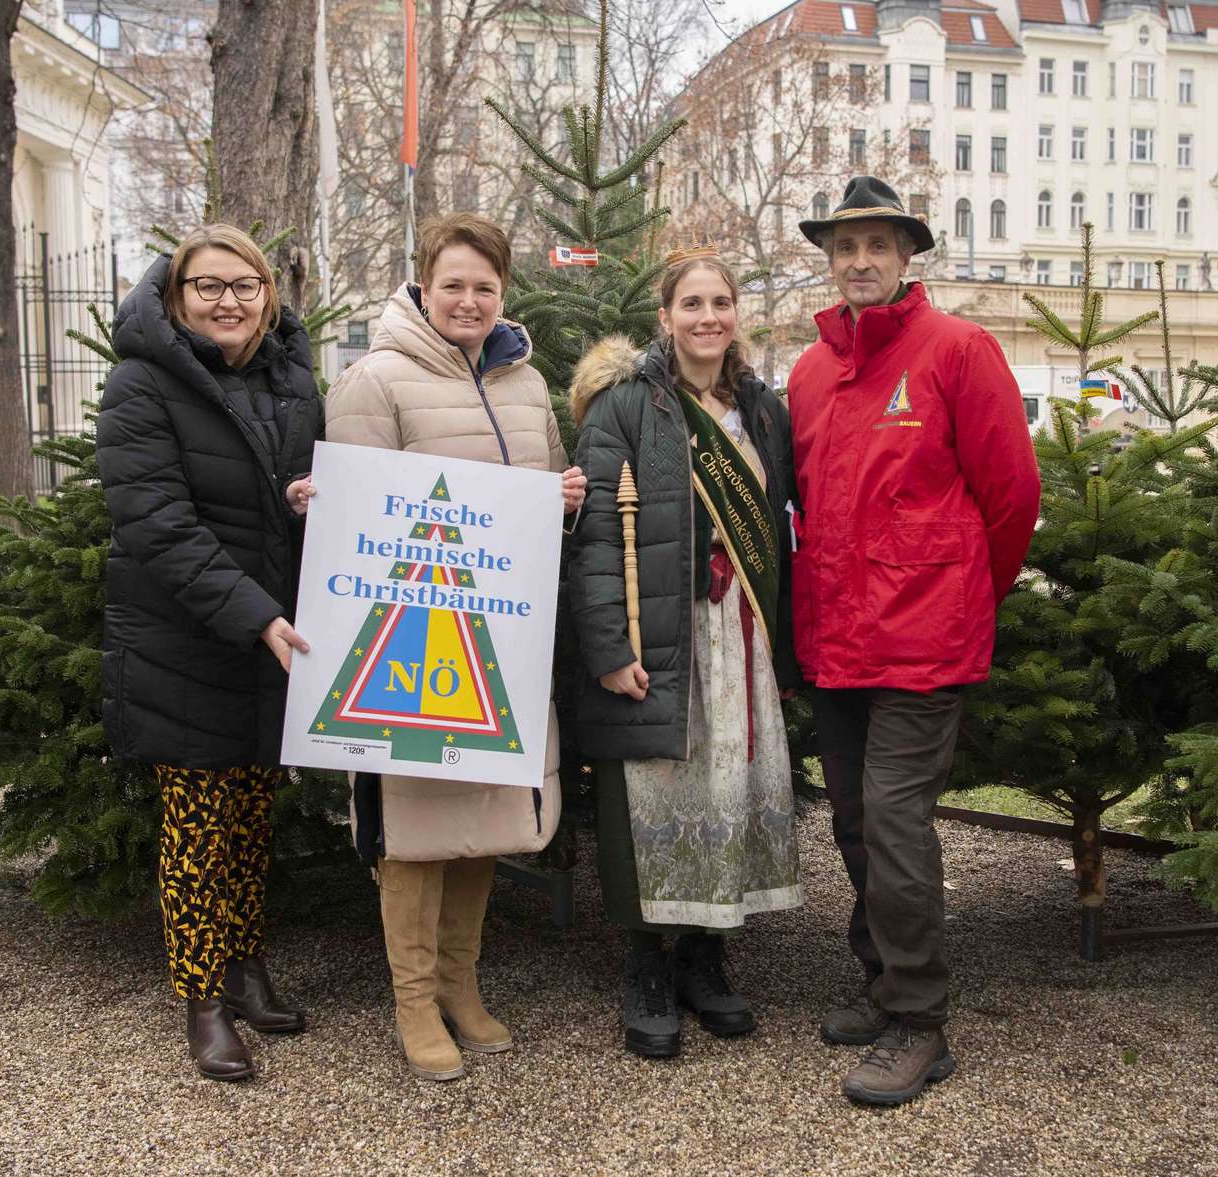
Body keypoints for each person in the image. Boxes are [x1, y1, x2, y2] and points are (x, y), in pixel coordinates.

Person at [790, 177, 1040, 1106]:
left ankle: (921, 1022)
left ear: (906, 256)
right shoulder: (812, 370)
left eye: (878, 245)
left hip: (924, 638)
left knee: (895, 819)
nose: (860, 260)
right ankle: (883, 981)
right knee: (854, 817)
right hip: (838, 636)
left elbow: (1012, 495)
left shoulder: (957, 350)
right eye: (846, 245)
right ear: (830, 256)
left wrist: (964, 592)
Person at [323, 212, 585, 1082]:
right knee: (413, 828)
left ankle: (461, 985)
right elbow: (362, 519)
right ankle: (412, 1000)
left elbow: (543, 497)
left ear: (502, 292)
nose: (468, 300)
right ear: (423, 286)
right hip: (413, 642)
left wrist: (565, 495)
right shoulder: (375, 380)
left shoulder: (527, 382)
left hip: (505, 634)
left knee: (484, 818)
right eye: (453, 285)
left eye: (484, 286)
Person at [98, 223, 323, 1082]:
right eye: (209, 286)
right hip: (186, 638)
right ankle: (201, 999)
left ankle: (246, 964)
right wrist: (254, 614)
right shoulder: (141, 384)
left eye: (245, 285)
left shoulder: (291, 377)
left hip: (271, 635)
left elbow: (298, 484)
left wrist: (308, 497)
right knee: (198, 823)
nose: (228, 300)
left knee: (250, 816)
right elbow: (156, 521)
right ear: (177, 296)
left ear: (268, 294)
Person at [566, 247, 804, 1059]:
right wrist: (606, 647)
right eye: (692, 303)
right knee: (654, 791)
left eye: (722, 302)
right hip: (659, 633)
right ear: (664, 317)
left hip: (740, 635)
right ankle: (647, 965)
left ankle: (707, 958)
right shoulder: (625, 405)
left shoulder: (763, 412)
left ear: (738, 315)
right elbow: (596, 536)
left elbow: (784, 531)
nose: (709, 317)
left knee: (725, 785)